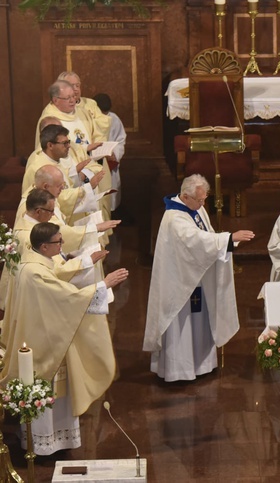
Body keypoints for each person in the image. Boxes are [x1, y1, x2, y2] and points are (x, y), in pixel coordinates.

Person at [0, 222, 128, 455]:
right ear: (44, 246)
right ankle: (43, 445)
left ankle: (49, 440)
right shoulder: (35, 272)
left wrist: (86, 262)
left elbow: (57, 279)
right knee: (47, 393)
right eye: (58, 241)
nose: (62, 245)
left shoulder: (33, 262)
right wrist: (103, 285)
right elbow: (66, 298)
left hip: (41, 333)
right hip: (42, 344)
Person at [143, 174, 255, 382]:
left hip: (196, 279)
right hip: (180, 284)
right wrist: (230, 238)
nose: (203, 204)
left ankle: (202, 364)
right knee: (182, 325)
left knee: (199, 323)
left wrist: (222, 241)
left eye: (204, 199)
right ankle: (178, 371)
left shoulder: (195, 208)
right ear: (185, 197)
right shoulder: (175, 219)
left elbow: (207, 237)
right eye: (200, 200)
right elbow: (197, 240)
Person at [93, 92, 126, 211]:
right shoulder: (88, 119)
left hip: (109, 163)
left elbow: (120, 140)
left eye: (106, 113)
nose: (104, 116)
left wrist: (114, 153)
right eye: (102, 113)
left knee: (110, 200)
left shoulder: (114, 119)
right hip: (93, 165)